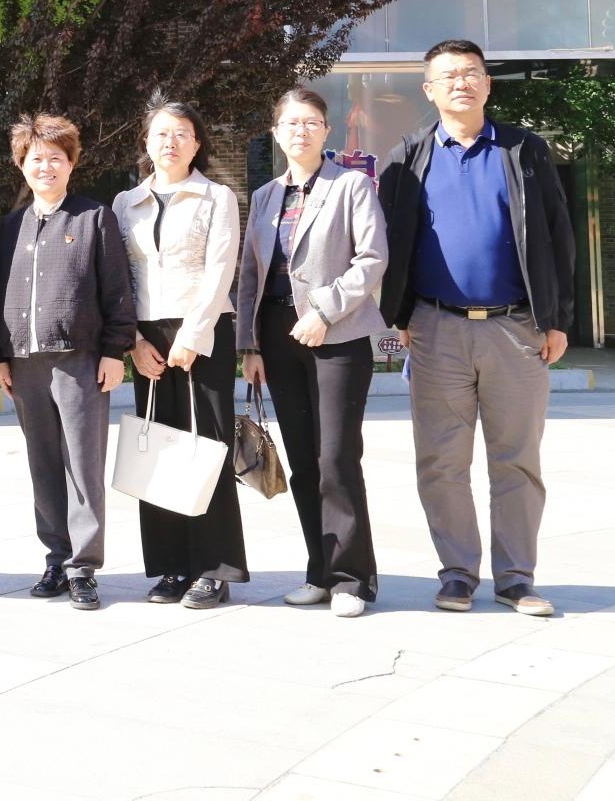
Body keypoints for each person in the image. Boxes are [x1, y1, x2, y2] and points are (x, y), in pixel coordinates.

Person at [378, 38, 573, 618]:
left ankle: (516, 578)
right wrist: (400, 316)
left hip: (516, 328)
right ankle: (458, 574)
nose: (461, 82)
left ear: (487, 84)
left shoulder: (524, 149)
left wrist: (557, 319)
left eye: (471, 73)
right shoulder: (407, 156)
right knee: (441, 462)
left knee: (517, 459)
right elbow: (389, 241)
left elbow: (558, 234)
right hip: (436, 329)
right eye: (449, 75)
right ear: (429, 90)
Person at [238, 88, 388, 619]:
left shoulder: (351, 185)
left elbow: (372, 258)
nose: (300, 131)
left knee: (336, 459)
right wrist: (250, 345)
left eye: (311, 122)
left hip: (337, 334)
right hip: (278, 336)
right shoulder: (265, 196)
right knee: (302, 460)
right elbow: (251, 274)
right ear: (275, 133)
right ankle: (319, 572)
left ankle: (352, 579)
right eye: (290, 123)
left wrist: (324, 311)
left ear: (326, 131)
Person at [0, 114, 134, 611]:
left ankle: (83, 567)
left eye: (56, 158)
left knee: (82, 465)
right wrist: (1, 356)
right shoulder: (13, 226)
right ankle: (56, 557)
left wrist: (114, 350)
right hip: (24, 363)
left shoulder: (93, 218)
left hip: (80, 361)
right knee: (43, 464)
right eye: (36, 158)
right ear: (21, 165)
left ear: (71, 163)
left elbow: (116, 290)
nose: (45, 167)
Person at [111, 97, 246, 609]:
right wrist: (133, 341)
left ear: (197, 143)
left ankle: (213, 568)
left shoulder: (217, 197)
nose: (171, 142)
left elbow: (220, 269)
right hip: (147, 336)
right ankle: (170, 565)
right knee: (158, 448)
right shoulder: (126, 203)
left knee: (206, 448)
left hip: (203, 332)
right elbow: (118, 278)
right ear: (146, 142)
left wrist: (192, 335)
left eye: (182, 133)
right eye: (161, 133)